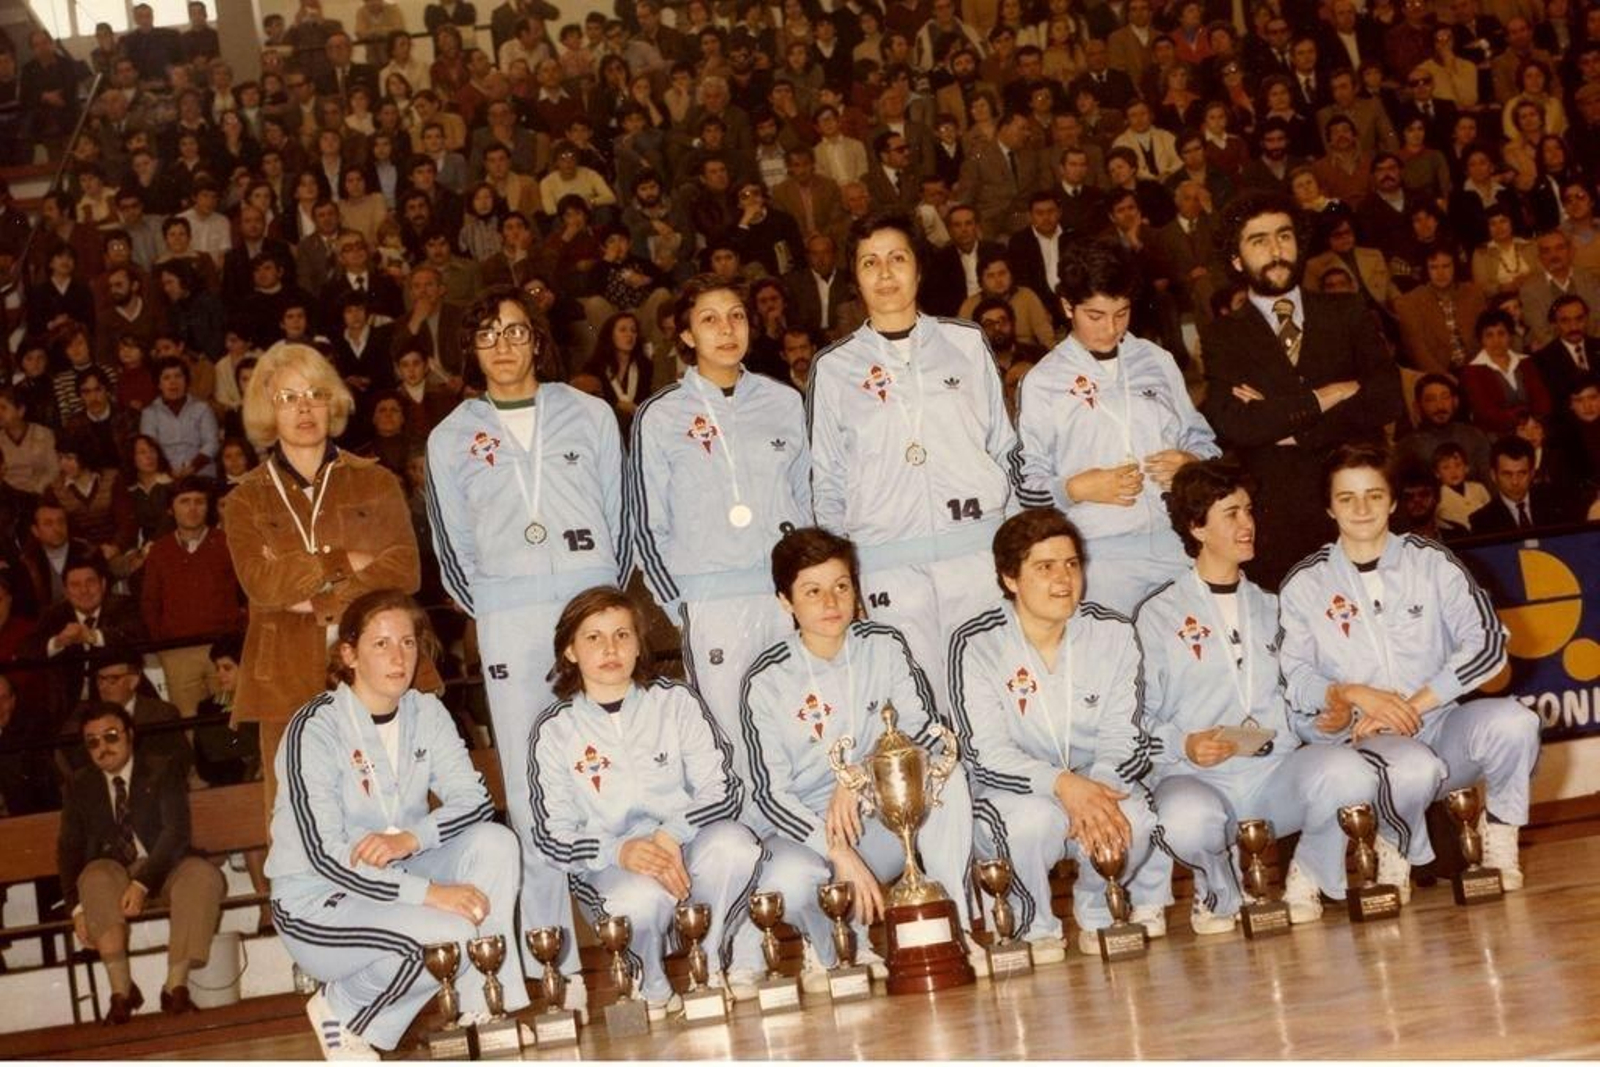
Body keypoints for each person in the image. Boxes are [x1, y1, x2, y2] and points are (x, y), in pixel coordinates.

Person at [427, 284, 624, 991]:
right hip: (510, 619)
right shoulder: (451, 436)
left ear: (537, 339)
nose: (504, 346)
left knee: (612, 773)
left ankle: (632, 936)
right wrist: (502, 607)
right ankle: (554, 964)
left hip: (588, 606)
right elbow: (452, 552)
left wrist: (599, 599)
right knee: (535, 787)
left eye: (515, 332)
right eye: (487, 334)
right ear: (469, 350)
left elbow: (620, 513)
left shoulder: (591, 413)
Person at [1135, 460, 1394, 932]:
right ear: (1197, 527)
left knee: (1351, 772)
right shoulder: (1156, 614)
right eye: (1231, 514)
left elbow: (1294, 711)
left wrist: (1323, 722)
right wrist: (1184, 744)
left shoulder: (1274, 606)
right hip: (1198, 776)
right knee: (1185, 821)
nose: (1248, 524)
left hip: (1270, 773)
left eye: (1249, 511)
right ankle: (1217, 887)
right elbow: (1136, 723)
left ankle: (1305, 878)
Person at [268, 590, 527, 1060]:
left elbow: (475, 802)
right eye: (381, 644)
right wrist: (430, 894)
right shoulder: (314, 728)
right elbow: (325, 856)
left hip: (398, 878)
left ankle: (482, 1008)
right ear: (348, 654)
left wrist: (415, 836)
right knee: (448, 936)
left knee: (495, 843)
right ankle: (341, 1010)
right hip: (317, 903)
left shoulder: (425, 711)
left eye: (407, 643)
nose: (398, 657)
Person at [1278, 443, 1542, 897]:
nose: (1362, 508)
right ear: (1328, 506)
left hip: (1440, 726)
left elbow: (1490, 645)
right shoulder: (1304, 583)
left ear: (1393, 501)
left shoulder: (1432, 561)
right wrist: (1347, 695)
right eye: (1347, 498)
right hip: (1367, 739)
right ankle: (1393, 850)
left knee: (1517, 722)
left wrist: (1412, 704)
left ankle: (1500, 841)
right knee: (1412, 766)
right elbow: (1293, 678)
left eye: (1374, 495)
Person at [743, 527, 980, 978]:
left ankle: (956, 929)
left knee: (948, 777)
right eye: (812, 591)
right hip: (809, 829)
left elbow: (928, 734)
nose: (831, 603)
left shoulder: (884, 644)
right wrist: (834, 848)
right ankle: (835, 949)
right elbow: (770, 794)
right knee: (790, 883)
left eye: (842, 586)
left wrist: (861, 776)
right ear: (785, 601)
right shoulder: (766, 678)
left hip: (881, 813)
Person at [807, 213, 1020, 710]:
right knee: (914, 708)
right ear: (855, 278)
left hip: (975, 552)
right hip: (888, 563)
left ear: (918, 270)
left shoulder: (966, 343)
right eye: (869, 262)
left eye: (897, 258)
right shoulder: (835, 368)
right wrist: (846, 576)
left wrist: (1012, 550)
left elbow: (1003, 449)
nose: (885, 273)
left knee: (994, 700)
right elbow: (828, 481)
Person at [222, 343, 428, 830]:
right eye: (288, 397)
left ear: (332, 402)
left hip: (380, 660)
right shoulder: (245, 499)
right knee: (300, 822)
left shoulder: (374, 480)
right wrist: (346, 560)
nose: (304, 408)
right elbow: (262, 584)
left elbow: (404, 571)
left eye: (315, 393)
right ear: (266, 410)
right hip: (283, 676)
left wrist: (311, 585)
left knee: (398, 815)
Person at [530, 586, 760, 1015]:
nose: (610, 648)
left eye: (622, 634)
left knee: (736, 845)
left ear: (639, 645)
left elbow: (722, 788)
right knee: (638, 901)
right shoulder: (555, 729)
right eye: (593, 637)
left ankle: (706, 966)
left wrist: (672, 834)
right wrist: (620, 850)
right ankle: (650, 980)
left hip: (683, 841)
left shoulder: (675, 702)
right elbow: (553, 837)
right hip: (613, 865)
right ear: (570, 651)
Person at [947, 508, 1167, 956]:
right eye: (1044, 567)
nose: (1064, 578)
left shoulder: (1114, 631)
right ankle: (1035, 926)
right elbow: (984, 753)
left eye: (1071, 564)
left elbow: (1125, 735)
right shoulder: (975, 641)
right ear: (1010, 578)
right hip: (1015, 790)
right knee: (1035, 822)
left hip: (1096, 777)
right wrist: (1063, 785)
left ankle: (1098, 907)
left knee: (1138, 820)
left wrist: (1096, 788)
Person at [626, 275, 811, 784]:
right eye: (709, 319)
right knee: (731, 737)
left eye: (736, 316)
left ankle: (811, 857)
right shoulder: (660, 417)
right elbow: (645, 525)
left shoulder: (784, 403)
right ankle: (752, 852)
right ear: (685, 336)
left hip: (783, 600)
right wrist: (680, 606)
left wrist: (809, 591)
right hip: (711, 602)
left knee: (800, 728)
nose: (727, 329)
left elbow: (808, 502)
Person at [1199, 191, 1402, 589]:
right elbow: (1236, 425)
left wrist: (1286, 421)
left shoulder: (1347, 310)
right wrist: (1329, 396)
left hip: (1358, 505)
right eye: (1259, 241)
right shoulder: (1223, 335)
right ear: (1237, 260)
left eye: (1284, 236)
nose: (1276, 250)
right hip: (1280, 519)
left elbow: (1387, 397)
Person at [1015, 242, 1218, 614]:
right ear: (1066, 306)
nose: (1110, 328)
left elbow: (1206, 443)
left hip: (1175, 546)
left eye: (1122, 313)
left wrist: (1191, 460)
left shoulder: (1157, 360)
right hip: (1099, 556)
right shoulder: (1043, 382)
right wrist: (1075, 488)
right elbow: (1026, 489)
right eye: (1095, 315)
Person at [59, 703, 226, 1023]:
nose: (102, 748)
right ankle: (121, 993)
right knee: (93, 876)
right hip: (113, 875)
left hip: (165, 868)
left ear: (130, 735)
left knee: (202, 876)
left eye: (110, 736)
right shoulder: (79, 785)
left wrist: (142, 882)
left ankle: (175, 987)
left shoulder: (162, 769)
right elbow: (68, 851)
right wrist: (76, 910)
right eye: (92, 741)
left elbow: (175, 834)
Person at [139, 476, 244, 718]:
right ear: (171, 509)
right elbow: (150, 602)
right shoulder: (160, 551)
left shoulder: (227, 544)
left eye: (200, 502)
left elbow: (247, 594)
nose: (193, 508)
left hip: (222, 649)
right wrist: (162, 643)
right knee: (188, 719)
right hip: (178, 652)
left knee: (231, 717)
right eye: (184, 501)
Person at [1467, 434, 1584, 533]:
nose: (1515, 481)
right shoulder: (1482, 522)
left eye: (1522, 473)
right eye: (1507, 474)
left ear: (1532, 473)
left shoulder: (1557, 504)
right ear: (1493, 475)